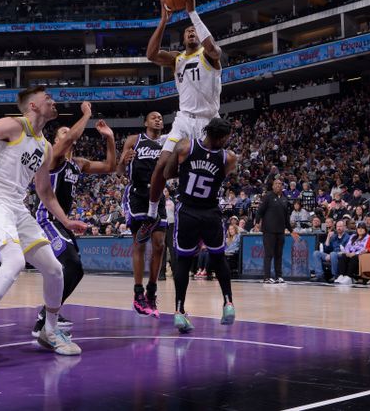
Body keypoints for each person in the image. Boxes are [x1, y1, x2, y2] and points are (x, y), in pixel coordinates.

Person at [0, 86, 89, 374]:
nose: (53, 101)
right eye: (47, 97)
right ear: (33, 106)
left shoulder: (46, 146)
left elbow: (45, 192)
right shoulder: (15, 125)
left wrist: (65, 221)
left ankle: (49, 331)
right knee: (13, 261)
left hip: (16, 208)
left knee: (54, 268)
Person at [139, 0, 223, 241]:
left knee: (205, 171)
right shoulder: (177, 58)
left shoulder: (209, 56)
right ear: (183, 38)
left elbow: (215, 49)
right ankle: (152, 215)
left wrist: (193, 14)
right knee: (162, 166)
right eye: (186, 31)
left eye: (193, 31)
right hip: (184, 119)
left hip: (209, 123)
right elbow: (151, 54)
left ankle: (196, 205)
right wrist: (163, 21)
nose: (190, 33)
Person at [33, 101, 116, 335]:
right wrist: (87, 114)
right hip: (46, 218)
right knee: (71, 264)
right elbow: (68, 140)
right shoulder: (52, 155)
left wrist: (109, 138)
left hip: (62, 221)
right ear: (57, 139)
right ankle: (45, 319)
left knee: (75, 270)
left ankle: (48, 313)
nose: (68, 134)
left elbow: (110, 166)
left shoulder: (77, 164)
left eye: (70, 132)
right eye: (63, 132)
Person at [163, 117, 237, 333]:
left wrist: (186, 171)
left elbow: (168, 173)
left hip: (187, 211)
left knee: (183, 262)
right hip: (211, 212)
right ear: (222, 137)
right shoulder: (228, 157)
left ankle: (179, 311)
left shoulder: (186, 146)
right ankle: (228, 303)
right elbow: (221, 177)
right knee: (218, 257)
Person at [117, 111, 168, 316]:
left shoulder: (167, 143)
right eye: (154, 117)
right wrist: (123, 161)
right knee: (139, 243)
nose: (158, 119)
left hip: (158, 194)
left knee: (159, 244)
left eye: (160, 117)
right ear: (145, 121)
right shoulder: (134, 140)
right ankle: (138, 293)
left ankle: (151, 292)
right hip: (138, 194)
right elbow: (119, 171)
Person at [256, 178, 292, 285]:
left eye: (280, 184)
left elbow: (286, 218)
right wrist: (257, 222)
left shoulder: (285, 199)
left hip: (280, 231)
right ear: (272, 186)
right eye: (276, 184)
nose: (278, 186)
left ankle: (278, 276)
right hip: (269, 231)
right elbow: (260, 211)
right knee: (269, 254)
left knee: (279, 255)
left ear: (282, 187)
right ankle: (267, 277)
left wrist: (291, 230)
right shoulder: (268, 197)